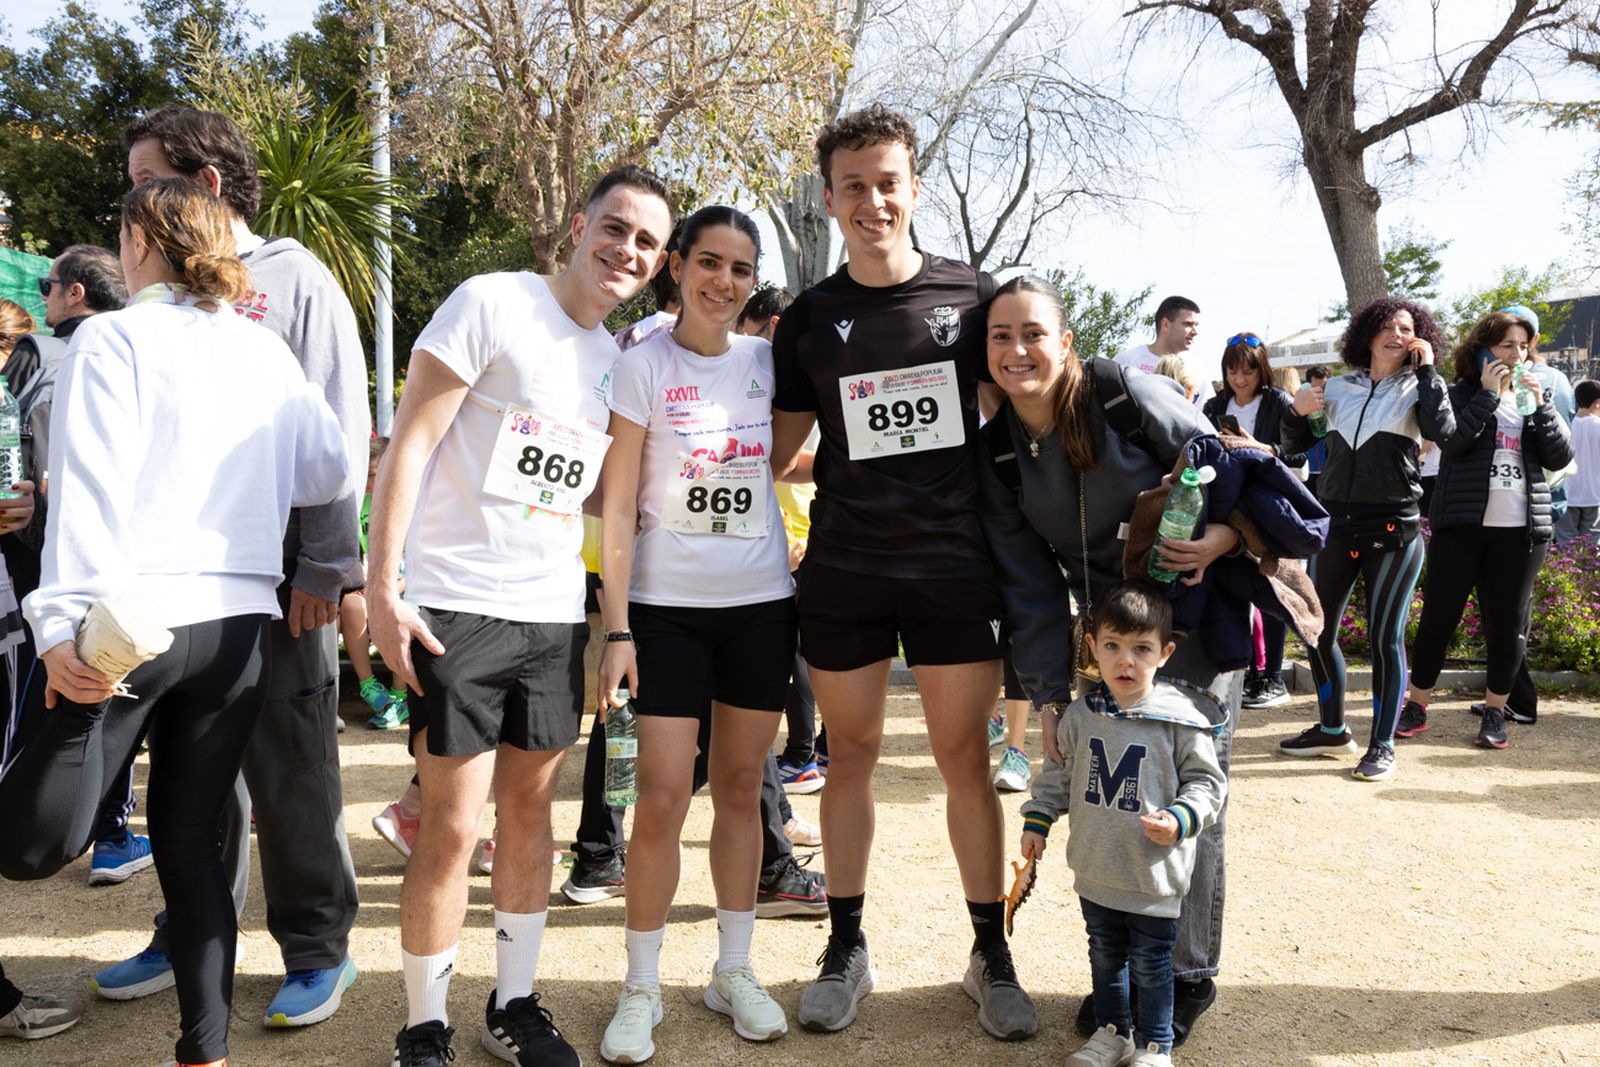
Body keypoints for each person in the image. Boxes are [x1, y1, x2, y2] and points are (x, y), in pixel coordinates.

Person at [0, 175, 347, 1067]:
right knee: (193, 840)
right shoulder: (264, 351)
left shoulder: (111, 338)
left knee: (35, 841)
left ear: (139, 244)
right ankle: (206, 1052)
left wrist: (59, 627)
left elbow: (87, 494)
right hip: (237, 625)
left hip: (134, 615)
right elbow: (329, 471)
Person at [366, 165, 672, 1067]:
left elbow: (604, 507)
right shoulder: (491, 301)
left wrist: (616, 628)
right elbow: (410, 440)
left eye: (646, 242)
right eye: (614, 227)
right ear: (579, 225)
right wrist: (383, 584)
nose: (625, 250)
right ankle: (423, 1022)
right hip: (459, 604)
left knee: (531, 821)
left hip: (550, 620)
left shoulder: (616, 360)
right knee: (454, 826)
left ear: (656, 265)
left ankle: (515, 1002)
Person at [92, 105, 370, 1027]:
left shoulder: (297, 281)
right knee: (189, 770)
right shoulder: (146, 300)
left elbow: (342, 426)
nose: (128, 202)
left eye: (143, 179)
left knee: (292, 764)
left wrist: (328, 565)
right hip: (170, 581)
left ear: (204, 183)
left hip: (280, 575)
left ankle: (317, 946)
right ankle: (187, 929)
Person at [769, 104, 1037, 1042]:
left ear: (914, 185)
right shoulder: (807, 319)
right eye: (854, 185)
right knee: (850, 758)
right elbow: (774, 449)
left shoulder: (977, 299)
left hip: (954, 570)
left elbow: (1036, 399)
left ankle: (989, 952)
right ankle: (846, 945)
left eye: (889, 181)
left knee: (967, 760)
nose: (873, 200)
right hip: (845, 568)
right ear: (831, 198)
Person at [976, 275, 1251, 1048]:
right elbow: (1028, 586)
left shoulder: (1122, 395)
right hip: (1110, 641)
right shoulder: (998, 452)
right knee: (1118, 802)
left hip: (1190, 621)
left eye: (1034, 332)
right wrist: (1053, 692)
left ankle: (1189, 971)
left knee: (1191, 795)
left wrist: (1223, 538)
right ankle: (1132, 975)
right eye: (1001, 336)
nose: (1018, 349)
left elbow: (1227, 467)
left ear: (1064, 341)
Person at [594, 206, 799, 1062]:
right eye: (708, 263)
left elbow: (786, 458)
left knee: (744, 786)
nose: (723, 281)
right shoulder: (640, 366)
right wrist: (616, 627)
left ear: (754, 283)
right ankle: (641, 984)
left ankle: (734, 968)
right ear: (676, 266)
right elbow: (613, 503)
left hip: (759, 603)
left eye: (740, 270)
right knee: (663, 799)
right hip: (664, 610)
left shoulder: (767, 362)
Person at [1021, 581, 1226, 1067]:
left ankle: (1156, 1046)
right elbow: (1059, 776)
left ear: (1165, 653)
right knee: (1105, 958)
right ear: (1092, 647)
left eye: (1141, 649)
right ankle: (1112, 1034)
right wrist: (1038, 821)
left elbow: (1207, 784)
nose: (1125, 661)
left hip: (1152, 875)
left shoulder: (1181, 720)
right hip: (1096, 871)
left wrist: (1181, 818)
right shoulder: (1079, 715)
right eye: (1112, 647)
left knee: (1154, 966)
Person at [10, 250, 147, 887]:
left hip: (43, 561)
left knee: (60, 702)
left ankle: (70, 828)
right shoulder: (151, 346)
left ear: (76, 293)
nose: (45, 297)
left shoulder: (50, 354)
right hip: (132, 575)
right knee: (102, 698)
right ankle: (112, 830)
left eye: (49, 286)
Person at [1277, 297, 1457, 781]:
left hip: (1394, 529)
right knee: (1315, 629)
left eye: (1408, 328)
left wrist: (1429, 373)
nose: (1397, 334)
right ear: (1368, 332)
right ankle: (1333, 729)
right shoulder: (1338, 386)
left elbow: (1446, 431)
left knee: (1384, 638)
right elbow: (1292, 447)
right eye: (1388, 326)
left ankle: (1381, 744)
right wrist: (1296, 412)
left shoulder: (1421, 387)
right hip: (1335, 523)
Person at [1397, 311, 1573, 747]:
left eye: (1523, 347)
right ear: (1482, 351)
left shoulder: (1534, 398)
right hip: (1462, 525)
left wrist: (1544, 408)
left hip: (1520, 531)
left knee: (1508, 625)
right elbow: (1453, 440)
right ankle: (1417, 703)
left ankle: (1496, 711)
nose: (1516, 355)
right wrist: (1489, 395)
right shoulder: (1459, 394)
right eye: (1506, 346)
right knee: (1439, 615)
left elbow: (1558, 457)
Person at [741, 286, 824, 791]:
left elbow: (796, 461)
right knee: (797, 651)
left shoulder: (793, 380)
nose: (741, 340)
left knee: (794, 653)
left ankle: (800, 753)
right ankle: (804, 753)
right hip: (782, 533)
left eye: (748, 331)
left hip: (797, 535)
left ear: (772, 326)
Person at [1200, 333, 1303, 709]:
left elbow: (1299, 454)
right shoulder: (1214, 405)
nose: (1240, 379)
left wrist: (1262, 449)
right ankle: (1243, 673)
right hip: (1228, 509)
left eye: (1248, 370)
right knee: (1234, 590)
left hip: (1269, 506)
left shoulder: (1279, 402)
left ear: (1262, 371)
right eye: (1232, 370)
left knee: (1271, 590)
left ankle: (1273, 676)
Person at [340, 436, 409, 729]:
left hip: (409, 583)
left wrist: (391, 586)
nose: (368, 481)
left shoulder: (410, 499)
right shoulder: (361, 503)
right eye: (364, 474)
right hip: (376, 579)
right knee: (351, 605)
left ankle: (400, 696)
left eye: (373, 474)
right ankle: (370, 687)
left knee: (397, 609)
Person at [1115, 297, 1210, 409]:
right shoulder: (1126, 361)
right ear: (1165, 324)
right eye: (1188, 324)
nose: (1195, 332)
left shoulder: (1198, 369)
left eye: (1196, 325)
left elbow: (1204, 416)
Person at [1554, 378, 1600, 543]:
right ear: (1597, 403)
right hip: (1595, 495)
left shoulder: (1563, 425)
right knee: (1592, 546)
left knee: (1565, 542)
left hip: (1567, 493)